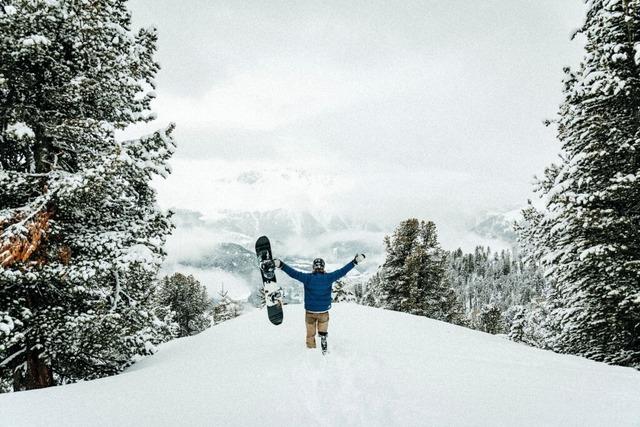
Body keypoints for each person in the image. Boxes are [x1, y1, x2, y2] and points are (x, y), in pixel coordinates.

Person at [273, 254, 366, 353]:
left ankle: (311, 350)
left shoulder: (307, 278)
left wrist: (281, 265)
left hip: (310, 311)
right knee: (323, 329)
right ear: (323, 267)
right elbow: (343, 271)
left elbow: (293, 273)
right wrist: (354, 262)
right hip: (324, 311)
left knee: (310, 334)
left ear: (314, 267)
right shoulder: (329, 277)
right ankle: (323, 339)